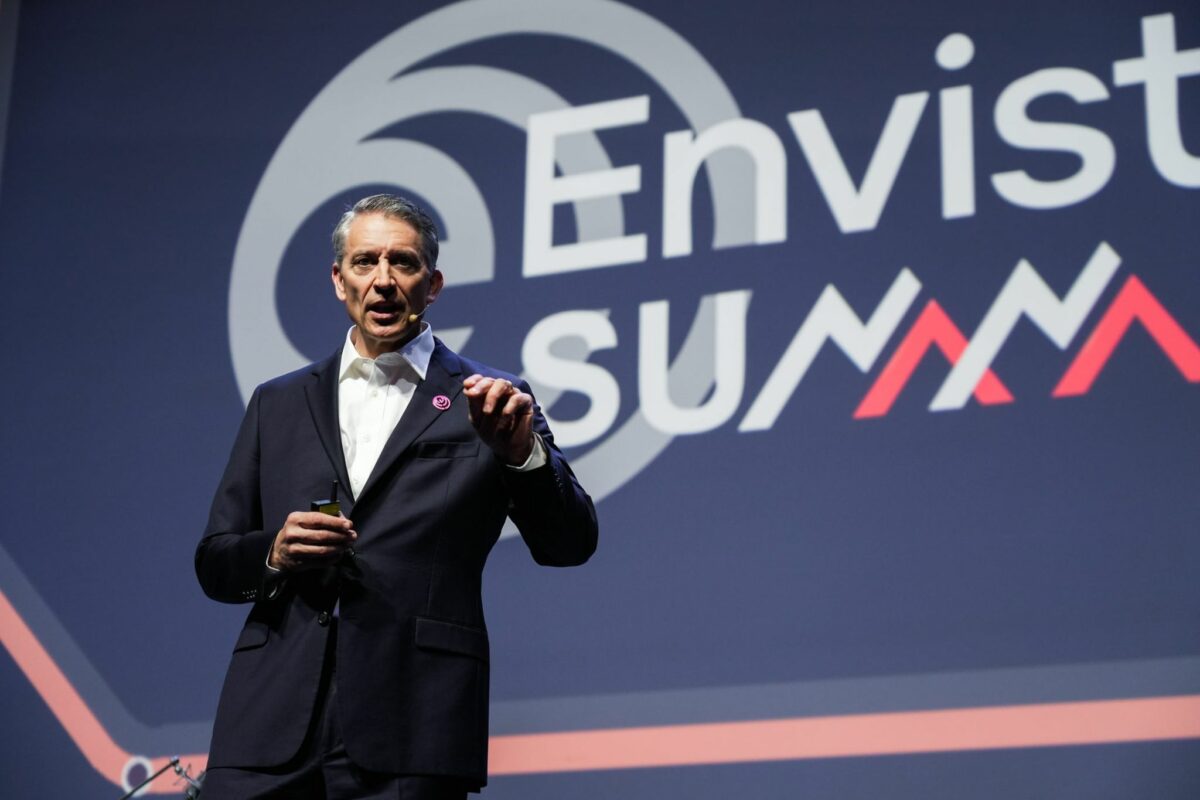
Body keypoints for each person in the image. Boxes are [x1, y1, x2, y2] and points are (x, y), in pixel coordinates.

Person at [195, 194, 598, 799]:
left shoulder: (490, 399)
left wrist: (522, 454)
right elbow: (216, 563)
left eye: (402, 262)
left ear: (432, 285)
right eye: (365, 262)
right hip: (267, 725)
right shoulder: (276, 403)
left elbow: (569, 544)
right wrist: (274, 553)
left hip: (412, 723)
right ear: (339, 280)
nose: (382, 280)